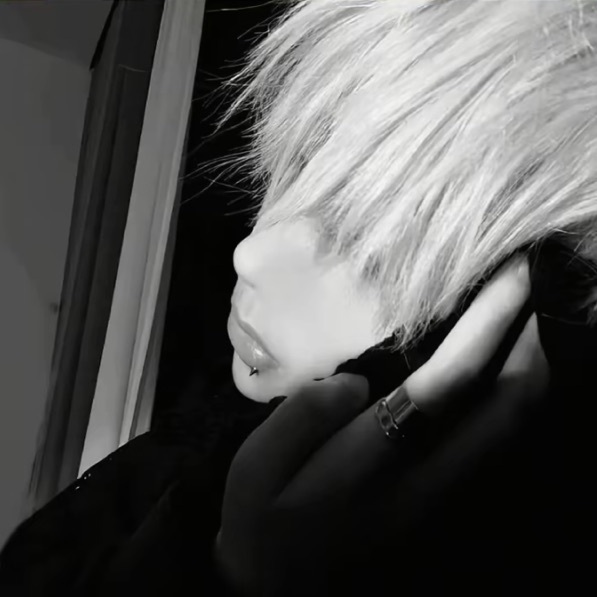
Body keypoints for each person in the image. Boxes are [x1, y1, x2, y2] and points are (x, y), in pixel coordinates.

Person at [1, 0, 597, 595]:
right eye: (294, 168)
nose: (249, 254)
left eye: (370, 254)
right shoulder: (211, 434)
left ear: (499, 332)